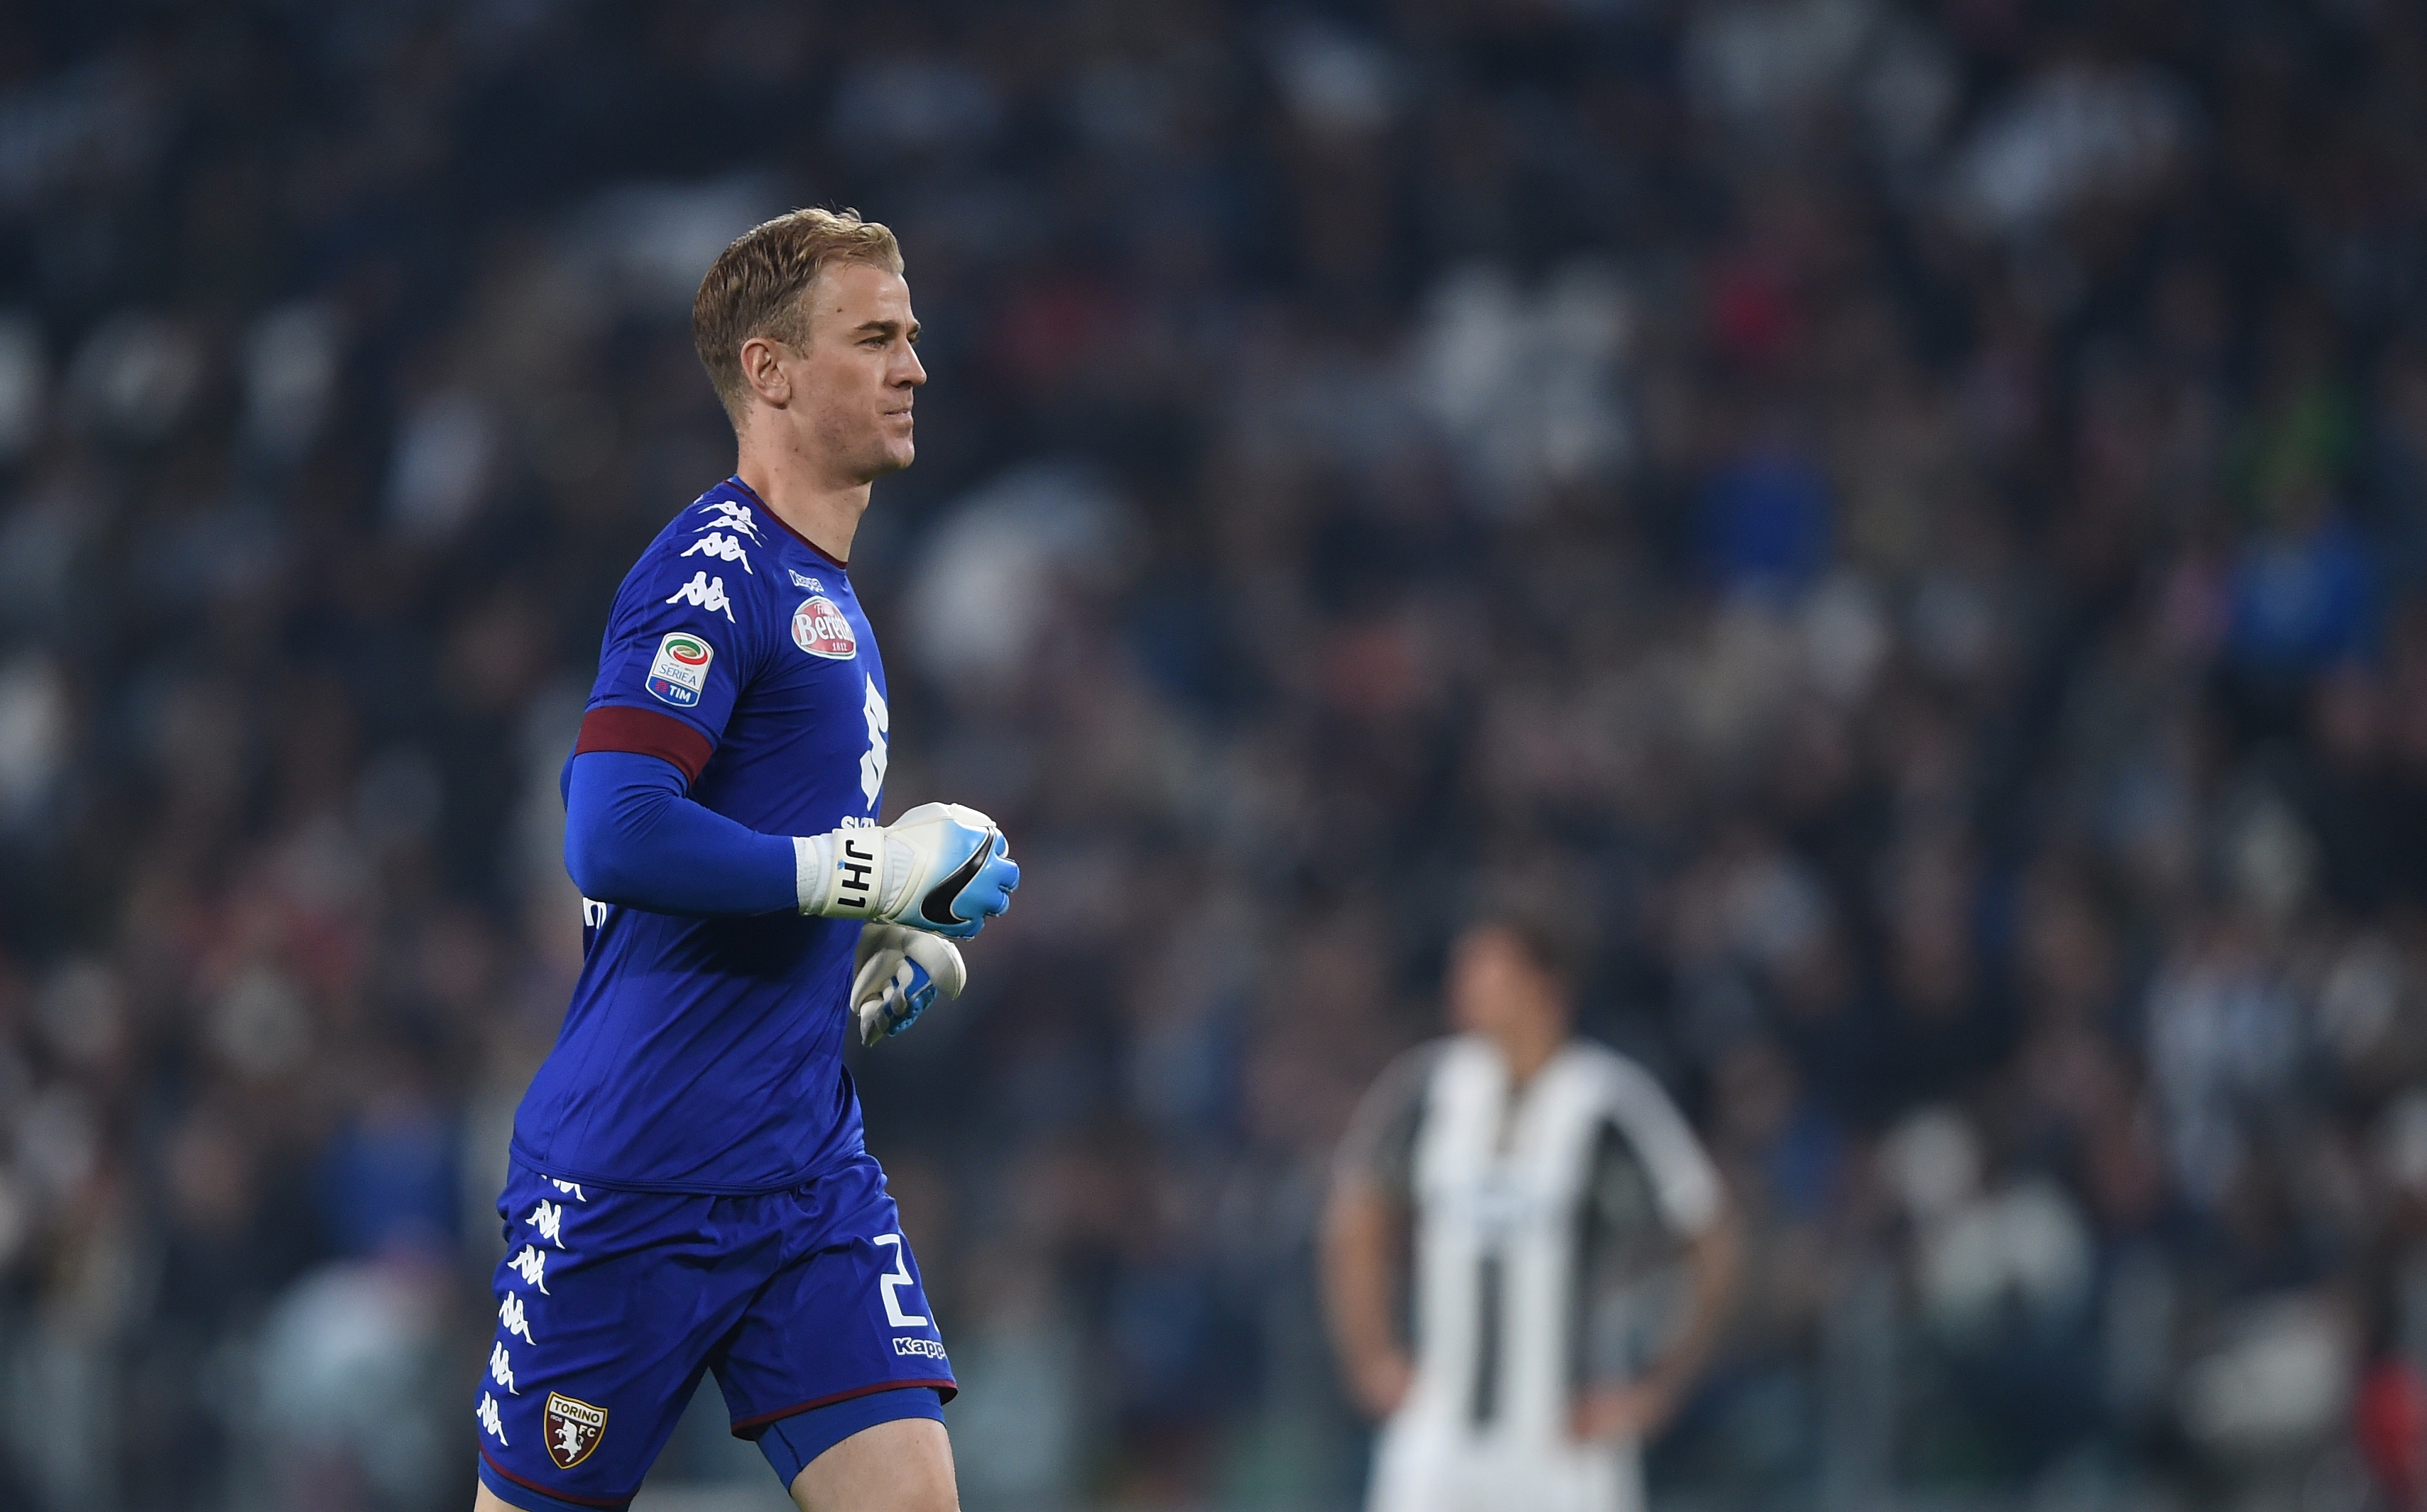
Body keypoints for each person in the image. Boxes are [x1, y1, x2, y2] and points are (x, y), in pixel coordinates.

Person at [469, 208, 1018, 1512]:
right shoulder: (711, 570)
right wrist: (856, 878)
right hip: (633, 1179)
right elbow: (613, 830)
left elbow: (756, 859)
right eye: (875, 337)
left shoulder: (830, 598)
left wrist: (870, 938)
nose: (913, 367)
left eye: (913, 337)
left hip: (802, 1178)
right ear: (769, 372)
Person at [1322, 912, 1739, 1512]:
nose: (1465, 985)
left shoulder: (1607, 1104)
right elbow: (1356, 1213)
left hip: (1564, 1440)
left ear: (1547, 987)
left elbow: (1712, 1239)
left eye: (1487, 968)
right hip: (1440, 1434)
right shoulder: (1428, 1089)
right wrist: (1371, 1353)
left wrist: (1657, 1387)